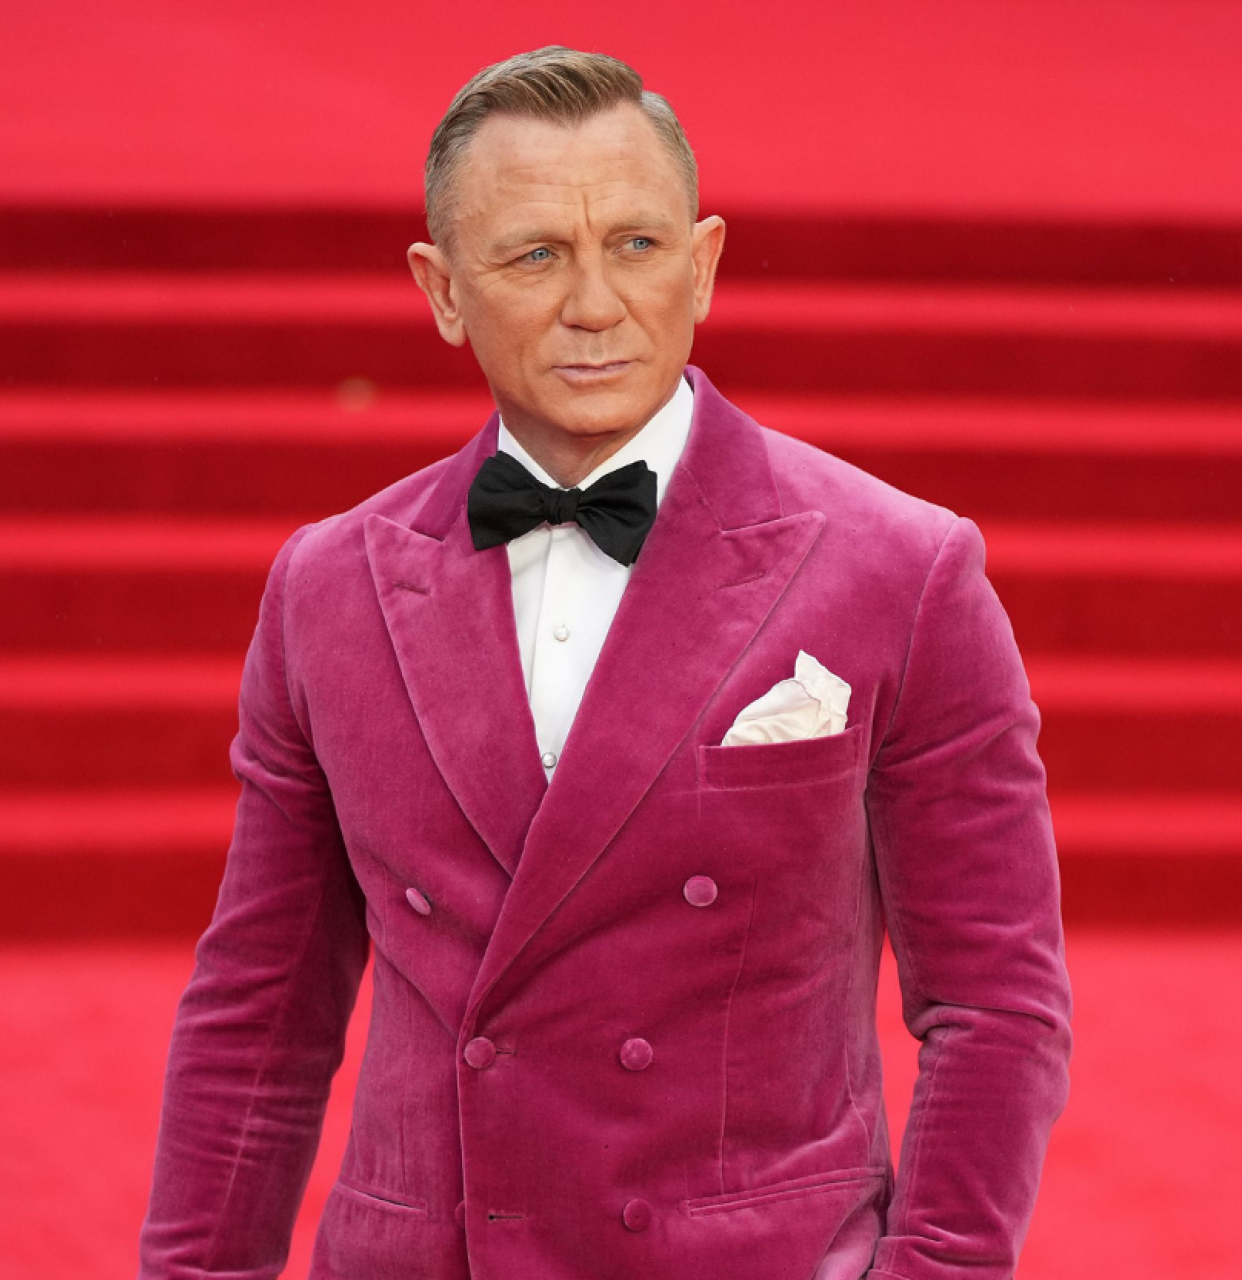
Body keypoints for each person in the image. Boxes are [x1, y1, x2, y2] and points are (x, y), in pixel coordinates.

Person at [139, 46, 1071, 1280]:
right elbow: (259, 1012)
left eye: (634, 245)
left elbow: (994, 1004)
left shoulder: (900, 571)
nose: (593, 303)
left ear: (703, 265)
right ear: (442, 290)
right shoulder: (328, 588)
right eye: (534, 255)